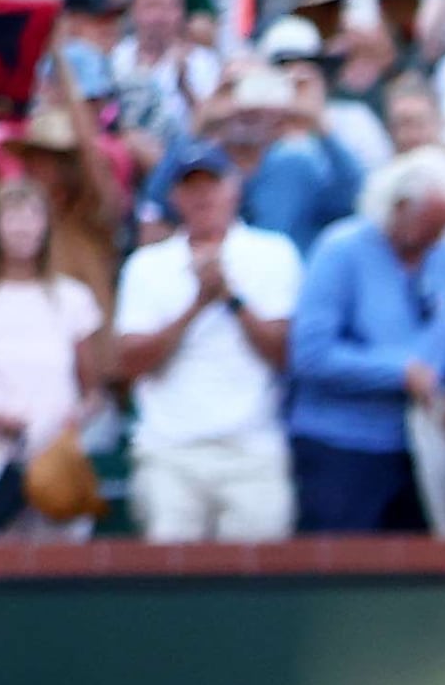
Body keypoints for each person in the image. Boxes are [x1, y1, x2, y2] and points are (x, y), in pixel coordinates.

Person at [105, 140, 301, 539]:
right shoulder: (147, 266)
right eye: (191, 187)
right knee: (170, 581)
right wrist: (196, 304)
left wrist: (231, 299)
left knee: (258, 580)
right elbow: (130, 363)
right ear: (175, 197)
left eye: (210, 185)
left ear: (233, 188)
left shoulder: (274, 253)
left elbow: (286, 354)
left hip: (253, 447)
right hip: (170, 450)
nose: (202, 197)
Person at [286, 150, 445, 533]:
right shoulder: (340, 250)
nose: (436, 238)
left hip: (424, 447)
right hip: (343, 446)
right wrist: (398, 373)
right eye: (430, 226)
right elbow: (310, 354)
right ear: (401, 207)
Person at [0, 162, 108, 543]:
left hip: (56, 460)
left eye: (32, 215)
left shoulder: (73, 298)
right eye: (12, 216)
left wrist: (72, 419)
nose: (23, 226)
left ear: (47, 225)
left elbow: (93, 390)